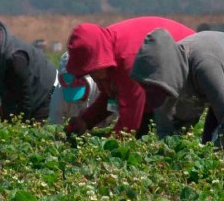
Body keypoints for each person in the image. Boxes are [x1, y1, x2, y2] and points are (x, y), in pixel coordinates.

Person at [131, 28, 224, 148]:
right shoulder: (160, 80)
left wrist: (217, 158)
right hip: (220, 89)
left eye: (155, 88)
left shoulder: (204, 66)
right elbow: (165, 130)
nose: (151, 94)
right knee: (207, 146)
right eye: (146, 87)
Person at [65, 16, 195, 137]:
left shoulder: (128, 60)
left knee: (170, 134)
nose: (92, 76)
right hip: (157, 86)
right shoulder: (106, 48)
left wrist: (104, 147)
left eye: (92, 70)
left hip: (188, 72)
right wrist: (86, 120)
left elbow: (130, 123)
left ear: (99, 60)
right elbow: (111, 96)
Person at [48, 52, 117, 126]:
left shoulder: (103, 88)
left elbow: (115, 117)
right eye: (66, 80)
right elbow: (55, 123)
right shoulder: (59, 94)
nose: (72, 85)